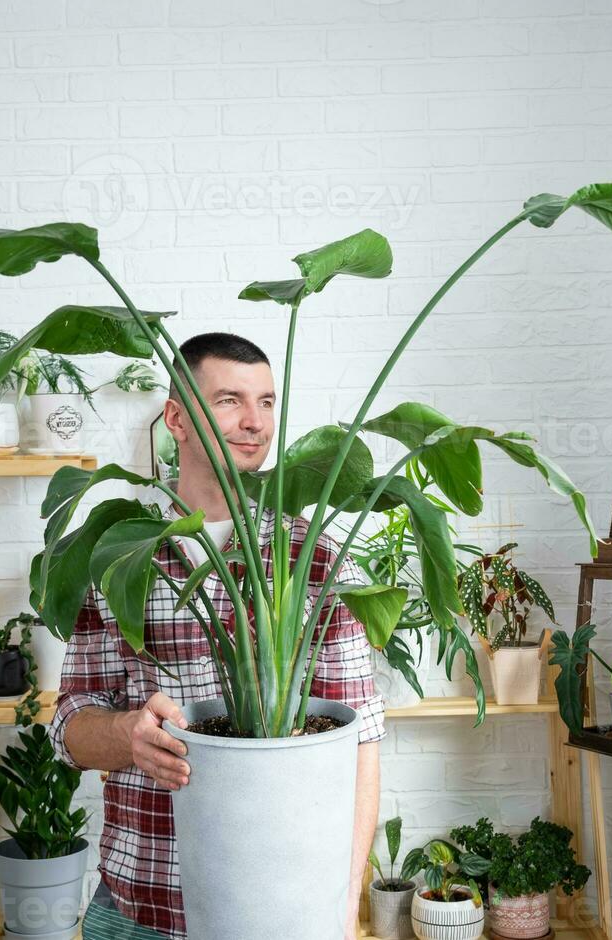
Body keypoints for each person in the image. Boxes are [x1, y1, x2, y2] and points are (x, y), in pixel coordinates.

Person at [48, 332, 386, 940]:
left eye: (266, 402)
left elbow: (359, 742)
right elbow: (70, 724)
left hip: (282, 910)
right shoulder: (121, 553)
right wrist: (129, 736)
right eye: (229, 400)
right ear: (176, 418)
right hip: (139, 905)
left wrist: (340, 913)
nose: (255, 422)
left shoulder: (316, 560)